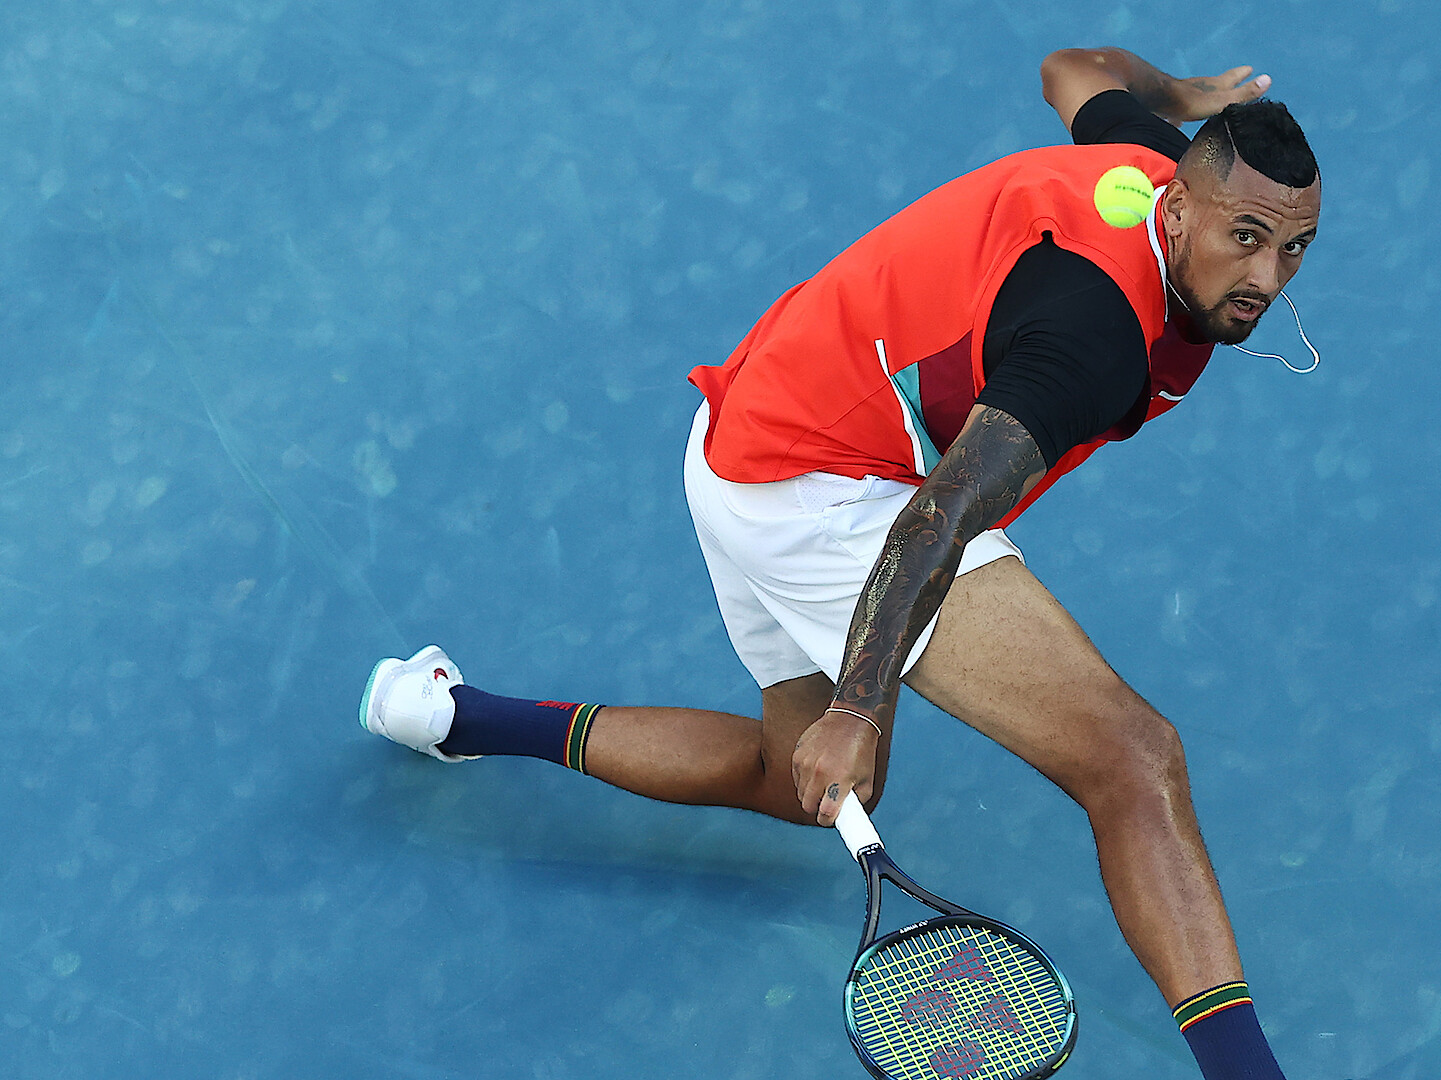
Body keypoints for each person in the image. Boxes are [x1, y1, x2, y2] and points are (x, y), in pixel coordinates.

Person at [359, 45, 1320, 1080]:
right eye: (1245, 237)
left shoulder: (1141, 163)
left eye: (1294, 248)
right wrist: (858, 708)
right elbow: (941, 518)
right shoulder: (1090, 335)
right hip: (827, 495)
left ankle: (453, 713)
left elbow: (1069, 68)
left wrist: (1179, 99)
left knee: (786, 780)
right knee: (1132, 762)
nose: (1265, 277)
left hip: (742, 429)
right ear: (1177, 212)